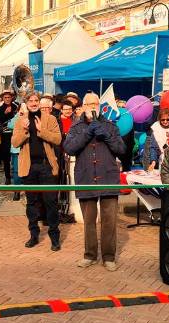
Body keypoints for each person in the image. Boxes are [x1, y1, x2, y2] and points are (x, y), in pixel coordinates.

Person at [63, 92, 126, 272]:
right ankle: (89, 255)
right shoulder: (76, 126)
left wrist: (105, 134)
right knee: (89, 221)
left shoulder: (110, 125)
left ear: (100, 106)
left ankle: (108, 257)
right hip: (86, 178)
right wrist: (88, 131)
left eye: (95, 104)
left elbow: (121, 149)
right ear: (82, 107)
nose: (92, 107)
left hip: (108, 178)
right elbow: (69, 148)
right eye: (89, 104)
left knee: (109, 221)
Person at [12, 92, 63, 250]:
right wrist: (25, 130)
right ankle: (33, 235)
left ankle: (54, 237)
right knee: (32, 203)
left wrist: (42, 131)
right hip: (29, 167)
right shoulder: (21, 120)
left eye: (36, 100)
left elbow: (58, 139)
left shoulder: (50, 118)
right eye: (31, 101)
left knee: (51, 202)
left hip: (46, 166)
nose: (34, 103)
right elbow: (14, 142)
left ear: (40, 102)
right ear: (26, 103)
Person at [0, 90, 18, 185]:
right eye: (5, 98)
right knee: (6, 157)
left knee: (15, 155)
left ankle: (16, 174)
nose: (7, 99)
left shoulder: (16, 107)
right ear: (3, 98)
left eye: (9, 97)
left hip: (14, 134)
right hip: (4, 135)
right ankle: (7, 177)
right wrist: (5, 113)